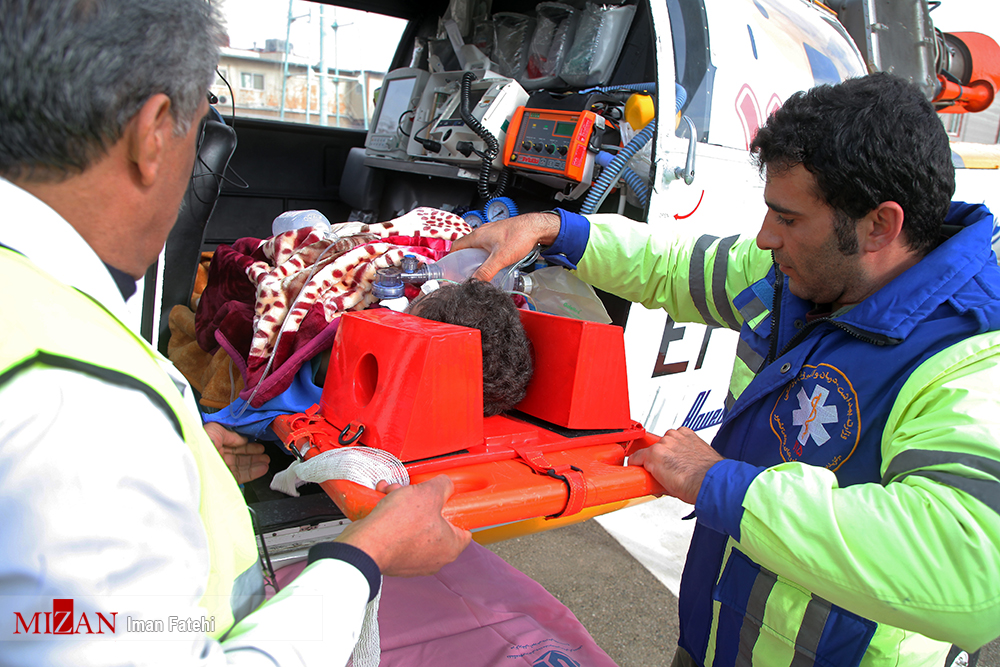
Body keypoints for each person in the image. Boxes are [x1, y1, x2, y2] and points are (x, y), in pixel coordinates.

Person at [452, 72, 1000, 666]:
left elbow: (968, 572)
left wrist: (719, 484)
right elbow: (669, 265)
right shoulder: (799, 276)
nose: (765, 238)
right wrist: (557, 229)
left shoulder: (972, 353)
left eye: (787, 219)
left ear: (879, 225)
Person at [0, 1, 469, 665]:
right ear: (155, 133)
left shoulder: (39, 315)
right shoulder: (78, 403)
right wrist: (364, 555)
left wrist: (185, 452)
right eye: (200, 122)